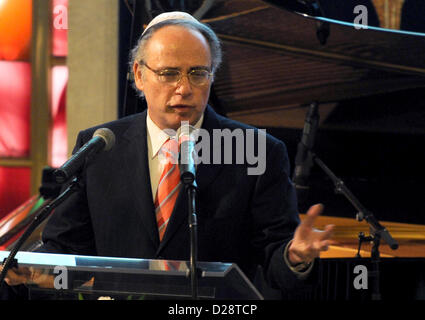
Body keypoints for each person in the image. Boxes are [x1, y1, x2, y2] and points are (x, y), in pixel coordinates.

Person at [1, 11, 333, 299]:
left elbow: (276, 258)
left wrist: (295, 256)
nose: (184, 88)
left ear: (212, 76)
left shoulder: (256, 151)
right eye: (169, 73)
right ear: (140, 75)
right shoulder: (99, 145)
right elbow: (65, 247)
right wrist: (28, 267)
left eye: (198, 73)